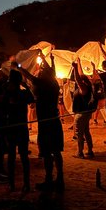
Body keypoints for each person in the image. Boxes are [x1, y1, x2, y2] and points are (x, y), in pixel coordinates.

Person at [18, 53, 65, 192]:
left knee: (46, 152)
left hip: (45, 123)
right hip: (55, 121)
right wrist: (44, 58)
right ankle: (60, 179)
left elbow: (29, 76)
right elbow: (51, 70)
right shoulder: (54, 83)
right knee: (56, 151)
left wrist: (18, 66)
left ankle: (49, 179)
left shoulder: (43, 83)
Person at [2, 69, 33, 192]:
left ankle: (11, 184)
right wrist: (26, 86)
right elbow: (32, 99)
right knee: (24, 157)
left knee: (11, 156)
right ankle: (26, 184)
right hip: (22, 128)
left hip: (11, 127)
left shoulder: (7, 93)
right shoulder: (23, 93)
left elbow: (2, 107)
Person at [71, 58, 94, 158]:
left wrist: (75, 68)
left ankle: (80, 152)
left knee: (79, 134)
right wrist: (79, 63)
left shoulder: (83, 88)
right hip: (86, 113)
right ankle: (90, 151)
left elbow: (78, 78)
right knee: (86, 132)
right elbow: (80, 76)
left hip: (81, 114)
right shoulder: (87, 87)